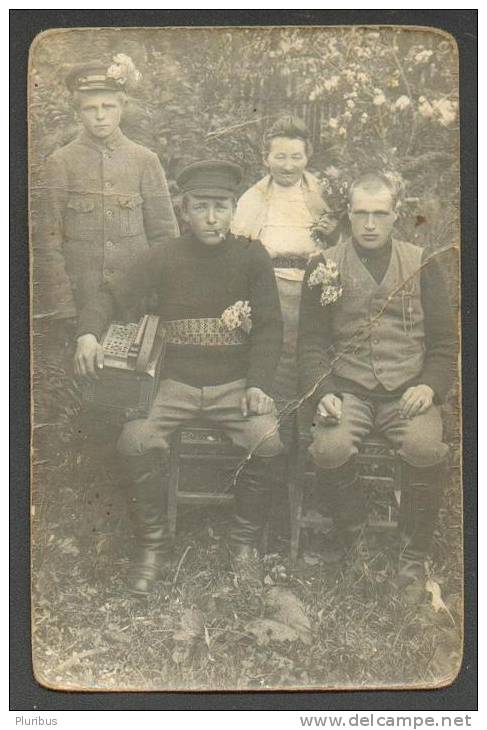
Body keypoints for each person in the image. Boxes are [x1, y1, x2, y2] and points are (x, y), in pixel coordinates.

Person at [75, 160, 284, 595]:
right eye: (202, 207)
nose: (212, 218)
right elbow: (112, 293)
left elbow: (269, 327)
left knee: (268, 440)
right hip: (174, 386)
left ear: (233, 209)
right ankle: (154, 546)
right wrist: (88, 334)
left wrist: (258, 384)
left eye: (221, 207)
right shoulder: (163, 257)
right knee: (135, 439)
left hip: (235, 386)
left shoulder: (252, 257)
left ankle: (243, 545)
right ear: (185, 210)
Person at [298, 172, 457, 594]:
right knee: (329, 448)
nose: (370, 224)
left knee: (425, 448)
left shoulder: (422, 261)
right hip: (348, 389)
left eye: (380, 214)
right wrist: (325, 391)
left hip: (407, 392)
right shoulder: (324, 264)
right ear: (348, 214)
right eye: (361, 213)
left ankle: (412, 557)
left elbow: (444, 341)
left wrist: (429, 387)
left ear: (395, 217)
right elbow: (311, 343)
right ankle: (355, 540)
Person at [37, 55, 179, 322]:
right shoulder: (60, 163)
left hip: (134, 307)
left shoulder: (145, 160)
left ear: (122, 107)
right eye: (90, 108)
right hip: (80, 305)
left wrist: (158, 301)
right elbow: (48, 243)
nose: (100, 116)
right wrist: (64, 308)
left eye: (108, 106)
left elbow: (165, 238)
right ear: (77, 111)